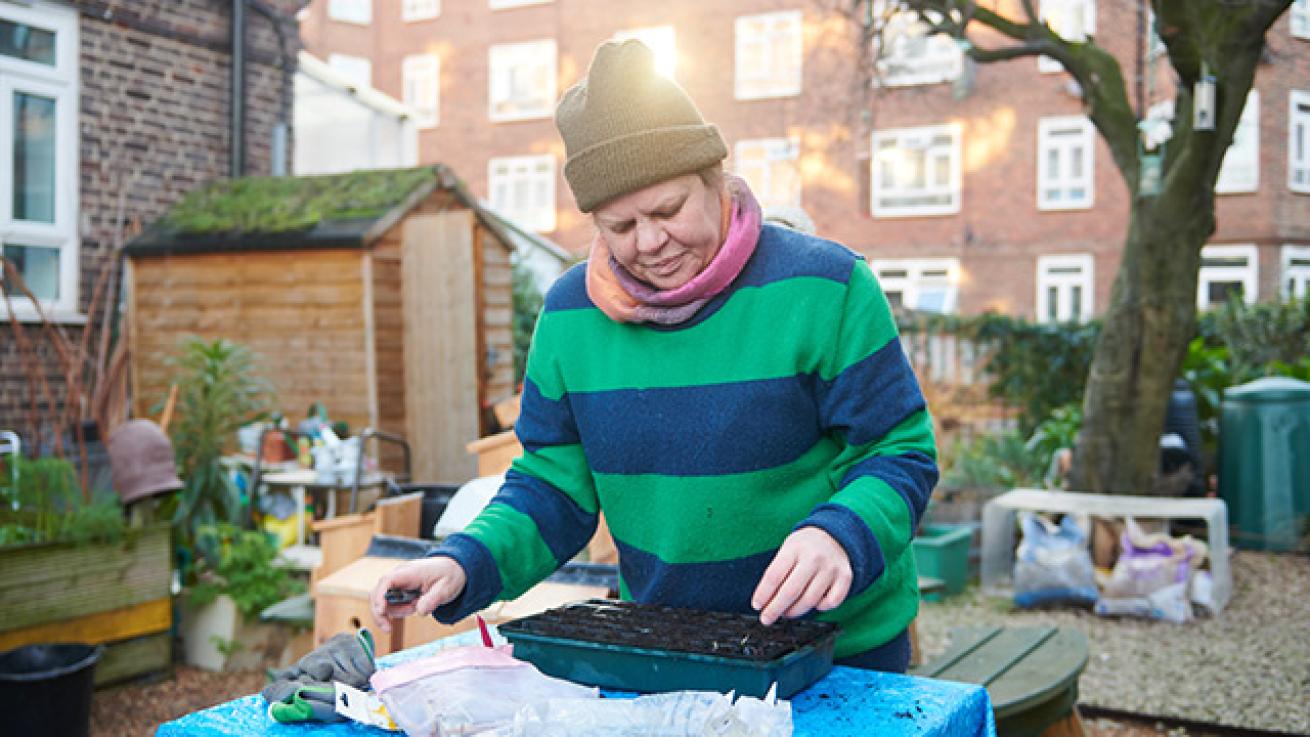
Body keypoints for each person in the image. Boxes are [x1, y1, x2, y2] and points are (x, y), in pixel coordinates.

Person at [372, 39, 938, 672]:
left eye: (668, 210)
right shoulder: (568, 319)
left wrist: (841, 534)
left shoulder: (827, 287)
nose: (650, 243)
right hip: (673, 646)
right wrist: (464, 560)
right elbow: (552, 489)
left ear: (715, 179)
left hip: (844, 653)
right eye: (619, 226)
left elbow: (898, 453)